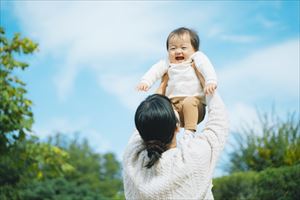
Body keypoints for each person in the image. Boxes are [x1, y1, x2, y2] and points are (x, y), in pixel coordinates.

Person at [123, 92, 229, 199]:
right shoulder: (192, 158)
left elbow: (146, 123)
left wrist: (160, 101)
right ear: (177, 126)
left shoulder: (131, 163)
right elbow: (219, 123)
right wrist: (207, 84)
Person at [137, 27, 218, 134]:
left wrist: (210, 81)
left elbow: (206, 67)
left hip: (195, 106)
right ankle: (170, 134)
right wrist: (146, 81)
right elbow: (155, 70)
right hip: (173, 105)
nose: (178, 51)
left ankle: (189, 134)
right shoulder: (168, 62)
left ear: (194, 50)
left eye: (183, 47)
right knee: (165, 110)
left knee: (189, 102)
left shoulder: (196, 58)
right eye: (173, 48)